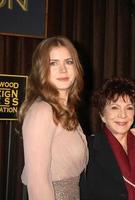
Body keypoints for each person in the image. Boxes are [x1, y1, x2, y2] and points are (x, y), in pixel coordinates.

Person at [18, 36, 88, 200]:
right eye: (53, 63)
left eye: (69, 62)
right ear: (41, 69)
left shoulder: (66, 109)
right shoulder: (42, 111)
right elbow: (38, 183)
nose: (63, 70)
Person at [80, 77, 135, 200]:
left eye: (129, 108)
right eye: (115, 107)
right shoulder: (88, 149)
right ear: (102, 115)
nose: (123, 115)